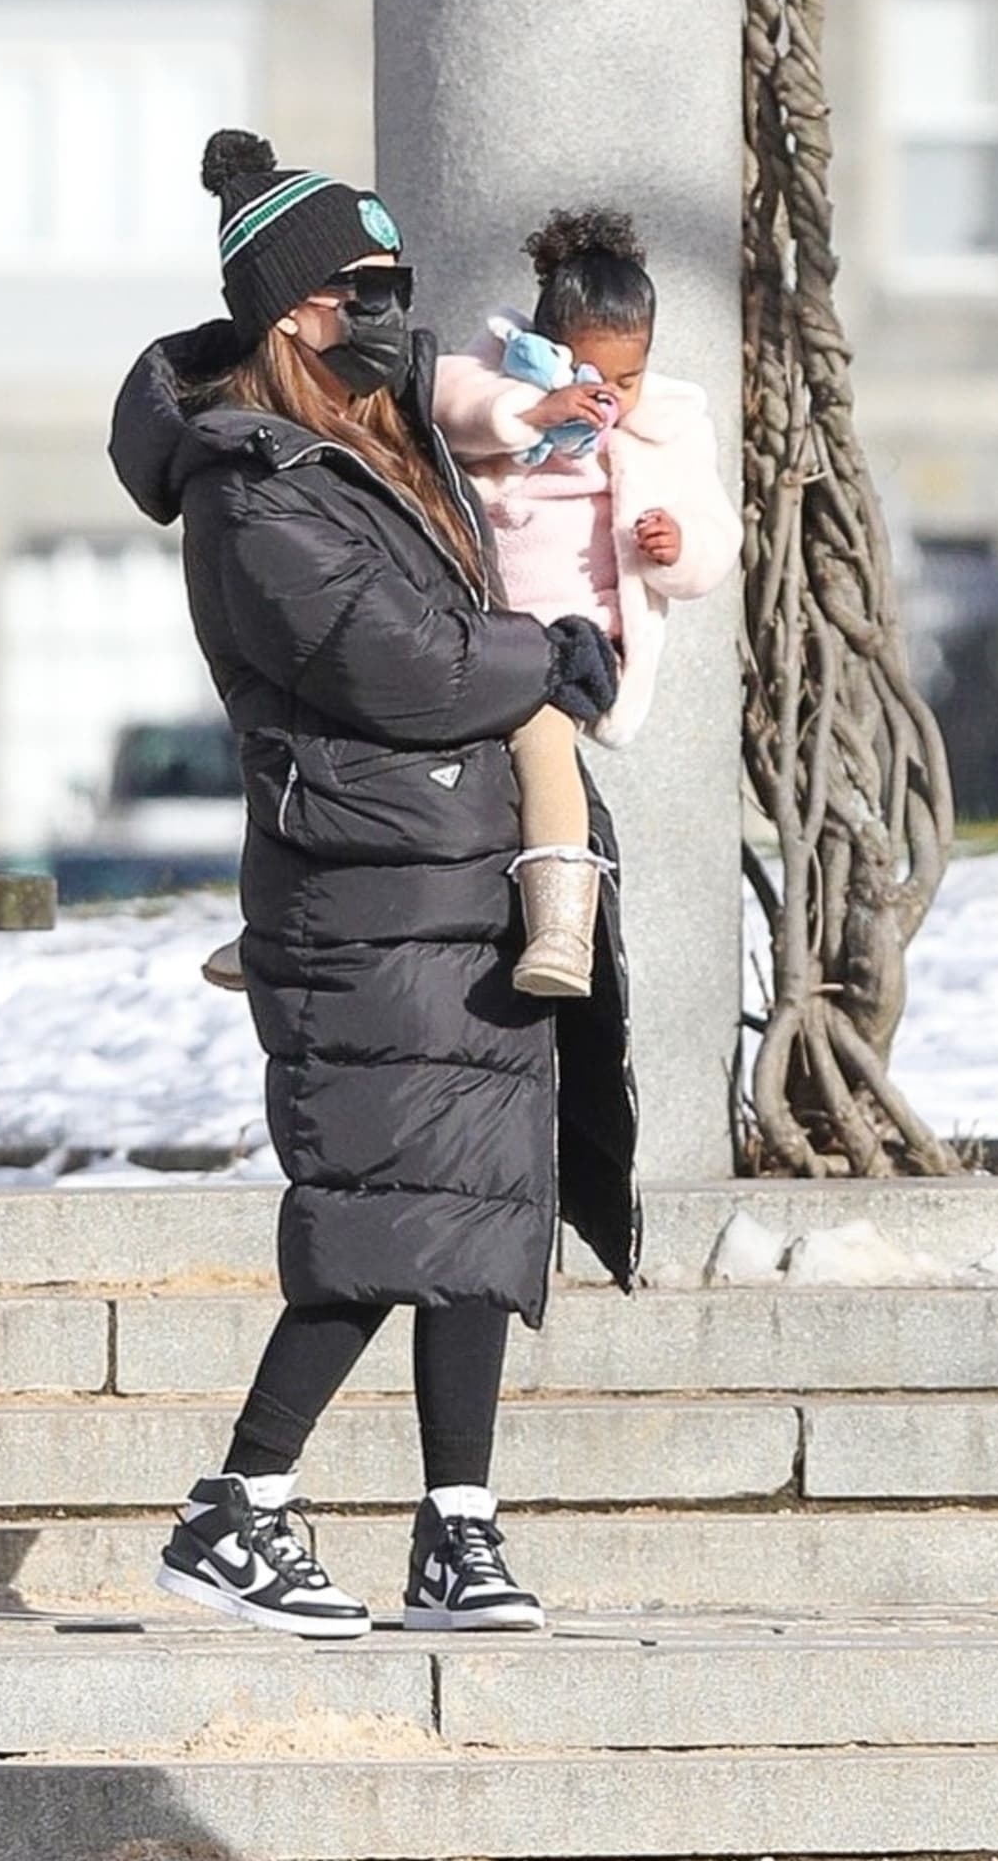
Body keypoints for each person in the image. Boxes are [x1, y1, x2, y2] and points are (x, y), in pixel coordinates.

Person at [109, 130, 640, 1640]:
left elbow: (502, 464)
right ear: (294, 312)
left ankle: (456, 1528)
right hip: (360, 881)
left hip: (455, 871)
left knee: (482, 1203)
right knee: (379, 1212)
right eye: (369, 286)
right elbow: (390, 667)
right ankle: (239, 1507)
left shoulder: (378, 442)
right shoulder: (251, 484)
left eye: (401, 282)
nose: (395, 310)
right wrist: (549, 659)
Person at [432, 207, 743, 993]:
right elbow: (441, 402)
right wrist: (529, 412)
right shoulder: (497, 368)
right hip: (475, 621)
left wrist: (675, 544)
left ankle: (563, 931)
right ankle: (292, 926)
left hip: (576, 637)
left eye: (627, 379)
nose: (608, 396)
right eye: (588, 376)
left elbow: (717, 538)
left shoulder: (668, 427)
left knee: (541, 742)